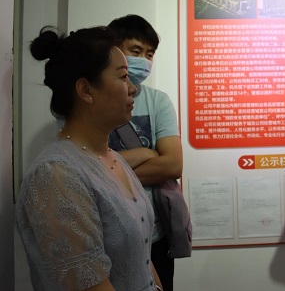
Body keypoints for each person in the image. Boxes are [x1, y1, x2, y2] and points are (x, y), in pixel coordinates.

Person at [16, 26, 162, 290]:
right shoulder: (56, 174)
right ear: (85, 90)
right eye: (123, 77)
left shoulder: (112, 158)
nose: (133, 89)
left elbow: (142, 259)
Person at [107, 15, 186, 291]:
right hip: (109, 234)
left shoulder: (157, 101)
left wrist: (107, 173)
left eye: (149, 54)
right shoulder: (92, 100)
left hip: (155, 236)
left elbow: (173, 165)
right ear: (114, 50)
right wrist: (148, 153)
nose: (144, 61)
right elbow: (87, 166)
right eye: (136, 51)